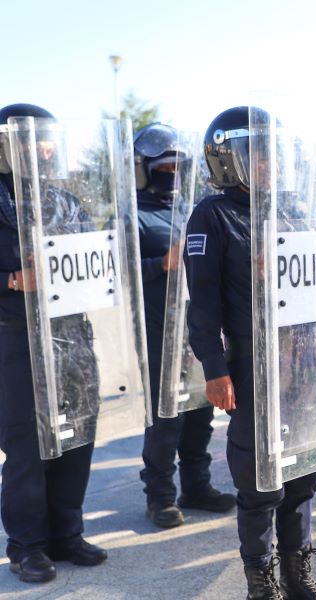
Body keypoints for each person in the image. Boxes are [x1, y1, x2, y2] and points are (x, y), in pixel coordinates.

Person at [184, 107, 316, 600]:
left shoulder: (292, 209)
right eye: (256, 153)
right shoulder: (213, 214)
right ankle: (260, 575)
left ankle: (298, 564)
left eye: (272, 153)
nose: (269, 163)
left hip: (304, 358)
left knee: (304, 468)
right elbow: (201, 304)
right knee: (259, 476)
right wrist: (215, 369)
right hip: (252, 362)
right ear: (229, 160)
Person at [0, 104, 107, 583]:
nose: (43, 148)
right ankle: (28, 546)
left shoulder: (67, 201)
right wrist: (9, 280)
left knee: (76, 439)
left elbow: (95, 258)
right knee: (27, 447)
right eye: (31, 139)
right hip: (15, 341)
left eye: (47, 139)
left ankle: (67, 534)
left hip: (71, 337)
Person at [135, 122, 236, 529]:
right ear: (144, 168)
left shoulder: (193, 207)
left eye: (178, 167)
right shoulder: (133, 215)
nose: (172, 175)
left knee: (199, 412)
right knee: (166, 420)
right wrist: (160, 263)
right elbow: (116, 274)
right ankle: (160, 497)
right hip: (158, 331)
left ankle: (197, 486)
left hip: (196, 330)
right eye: (163, 168)